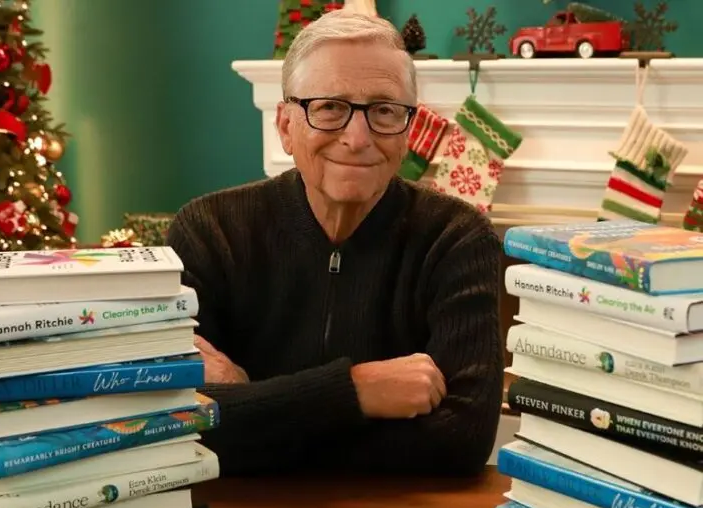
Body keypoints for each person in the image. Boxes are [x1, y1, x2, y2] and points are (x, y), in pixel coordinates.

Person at [166, 9, 504, 476]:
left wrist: (253, 406)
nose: (358, 138)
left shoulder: (457, 238)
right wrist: (356, 390)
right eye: (329, 107)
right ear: (286, 126)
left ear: (408, 131)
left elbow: (462, 439)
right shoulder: (209, 230)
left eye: (384, 110)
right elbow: (179, 422)